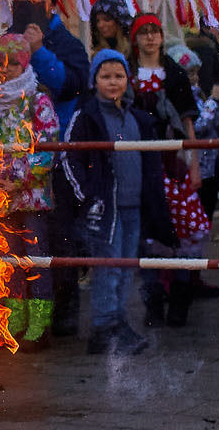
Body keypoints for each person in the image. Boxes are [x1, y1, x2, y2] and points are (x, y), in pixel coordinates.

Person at [59, 49, 161, 354]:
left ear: (128, 79)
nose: (113, 82)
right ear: (94, 81)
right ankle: (104, 328)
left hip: (132, 207)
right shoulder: (87, 115)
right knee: (109, 267)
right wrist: (88, 197)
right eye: (106, 76)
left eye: (119, 76)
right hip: (105, 209)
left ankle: (118, 321)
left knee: (127, 266)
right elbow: (69, 157)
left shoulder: (135, 116)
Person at [12, 0, 90, 338]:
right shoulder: (7, 39)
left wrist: (40, 50)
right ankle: (18, 317)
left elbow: (70, 84)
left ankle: (64, 311)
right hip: (12, 163)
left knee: (58, 237)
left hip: (57, 159)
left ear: (52, 3)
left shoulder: (66, 43)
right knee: (16, 246)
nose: (32, 2)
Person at [0, 33, 60, 350]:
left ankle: (40, 326)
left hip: (32, 197)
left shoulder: (38, 100)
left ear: (25, 64)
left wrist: (20, 179)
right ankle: (13, 322)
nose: (7, 69)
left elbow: (48, 146)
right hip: (0, 197)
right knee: (7, 263)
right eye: (1, 63)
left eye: (14, 63)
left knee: (35, 262)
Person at [125, 14, 205, 327]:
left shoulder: (175, 74)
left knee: (181, 232)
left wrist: (195, 164)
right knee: (148, 233)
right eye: (143, 33)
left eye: (154, 32)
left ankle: (181, 302)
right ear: (135, 39)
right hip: (139, 162)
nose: (149, 38)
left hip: (173, 164)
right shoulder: (127, 73)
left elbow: (188, 123)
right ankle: (153, 303)